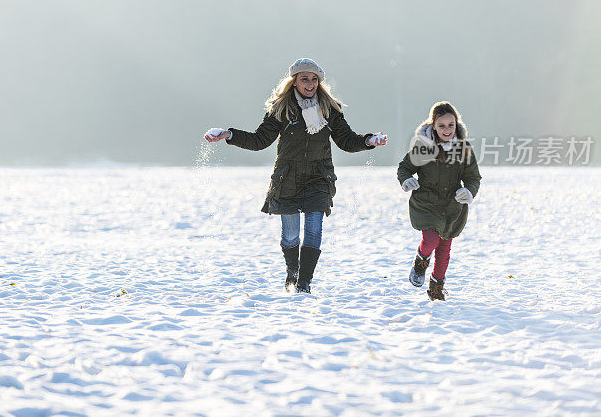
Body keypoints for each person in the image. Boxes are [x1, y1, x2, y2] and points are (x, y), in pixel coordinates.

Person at [204, 58, 387, 294]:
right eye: (304, 79)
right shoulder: (282, 109)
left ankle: (304, 283)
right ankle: (292, 270)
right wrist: (229, 134)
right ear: (294, 82)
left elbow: (347, 141)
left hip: (319, 177)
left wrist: (368, 140)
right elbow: (259, 141)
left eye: (314, 79)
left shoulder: (329, 110)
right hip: (287, 178)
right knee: (290, 236)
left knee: (314, 230)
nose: (310, 84)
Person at [397, 101, 481, 300]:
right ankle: (420, 261)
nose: (447, 130)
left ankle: (436, 288)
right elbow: (405, 167)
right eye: (442, 125)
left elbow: (473, 177)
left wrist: (469, 191)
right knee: (431, 240)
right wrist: (406, 179)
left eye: (451, 125)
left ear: (456, 125)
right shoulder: (424, 147)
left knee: (444, 250)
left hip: (452, 207)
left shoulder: (463, 149)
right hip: (426, 203)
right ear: (433, 125)